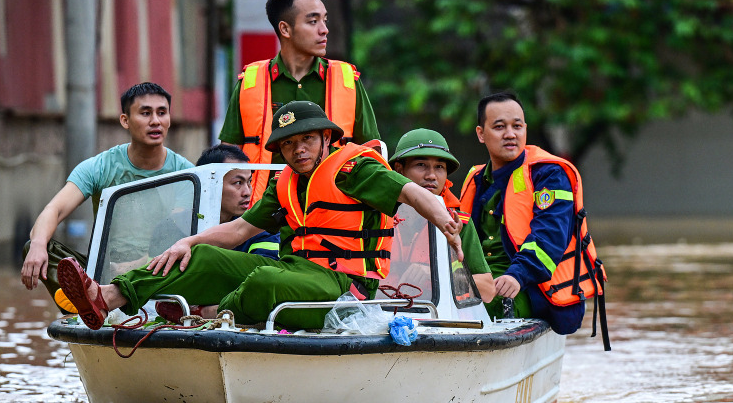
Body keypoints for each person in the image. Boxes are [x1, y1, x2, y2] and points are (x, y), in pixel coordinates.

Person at [57, 101, 462, 331]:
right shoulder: (284, 183)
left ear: (325, 138)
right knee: (196, 257)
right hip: (295, 271)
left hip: (343, 285)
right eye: (288, 145)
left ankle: (203, 318)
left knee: (264, 276)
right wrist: (189, 241)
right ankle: (108, 296)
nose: (298, 150)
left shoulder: (355, 168)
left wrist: (442, 217)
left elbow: (408, 190)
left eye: (306, 140)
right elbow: (238, 231)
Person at [20, 82, 193, 310]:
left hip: (158, 271)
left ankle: (95, 302)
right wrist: (38, 245)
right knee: (34, 245)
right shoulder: (100, 167)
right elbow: (55, 210)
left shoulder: (187, 173)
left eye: (162, 113)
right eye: (145, 113)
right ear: (125, 120)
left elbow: (177, 234)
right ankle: (87, 302)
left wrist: (137, 265)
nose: (155, 121)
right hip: (104, 271)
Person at [458, 92, 607, 340]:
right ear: (481, 134)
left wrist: (518, 275)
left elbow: (550, 236)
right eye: (499, 127)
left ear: (525, 129)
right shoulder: (476, 179)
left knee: (476, 306)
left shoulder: (548, 174)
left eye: (517, 126)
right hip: (480, 280)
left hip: (530, 286)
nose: (510, 134)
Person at [218, 0, 379, 200]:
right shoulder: (250, 82)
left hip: (335, 211)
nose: (324, 29)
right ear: (285, 29)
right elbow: (226, 158)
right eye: (313, 21)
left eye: (325, 20)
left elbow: (372, 153)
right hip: (263, 214)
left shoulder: (348, 81)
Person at [389, 128, 495, 304]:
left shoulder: (458, 222)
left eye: (439, 167)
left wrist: (433, 274)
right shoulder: (377, 217)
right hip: (383, 318)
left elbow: (487, 290)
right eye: (421, 165)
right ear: (399, 170)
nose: (431, 176)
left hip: (444, 322)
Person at [194, 143, 279, 258]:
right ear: (209, 184)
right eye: (238, 183)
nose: (247, 192)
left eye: (249, 182)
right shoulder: (180, 225)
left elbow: (265, 268)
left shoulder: (259, 229)